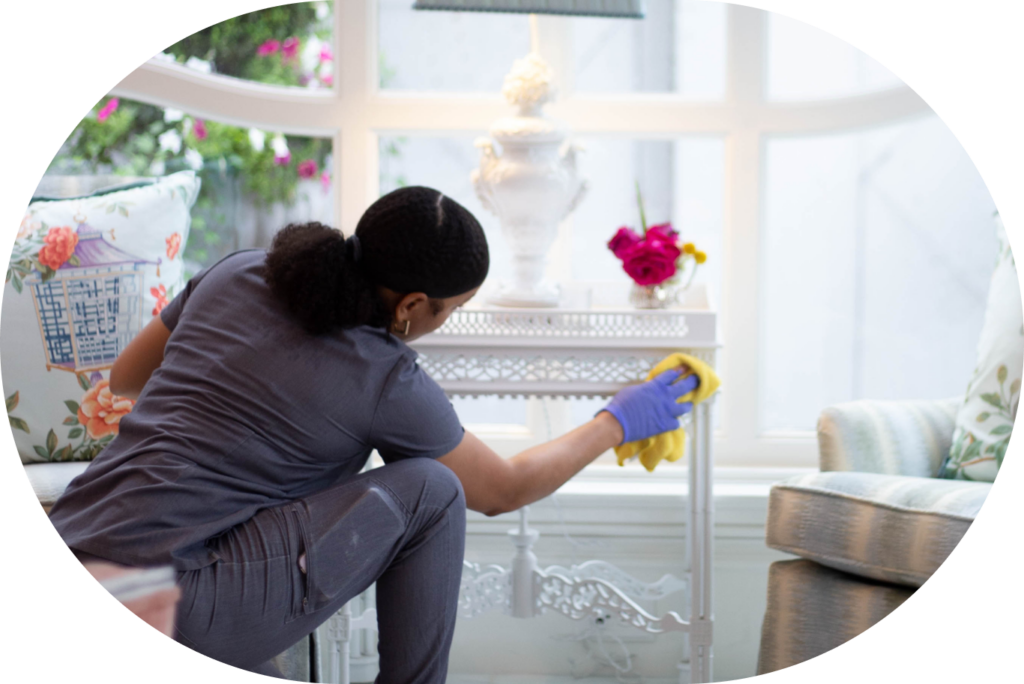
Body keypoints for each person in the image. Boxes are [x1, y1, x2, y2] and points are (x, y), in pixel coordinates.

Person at [47, 186, 698, 682]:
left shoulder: (240, 271)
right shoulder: (386, 377)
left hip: (79, 538)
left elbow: (129, 376)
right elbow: (502, 489)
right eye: (451, 310)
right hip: (167, 602)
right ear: (413, 306)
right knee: (434, 489)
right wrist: (618, 420)